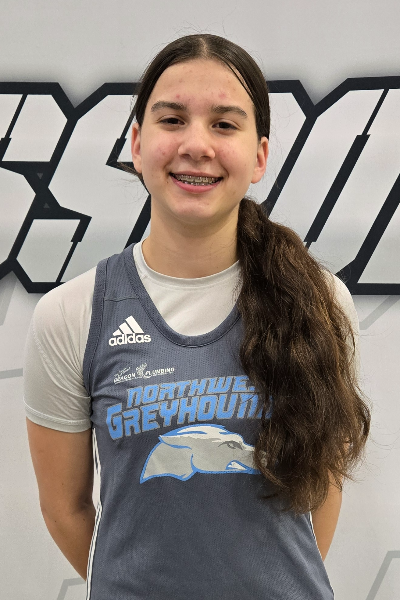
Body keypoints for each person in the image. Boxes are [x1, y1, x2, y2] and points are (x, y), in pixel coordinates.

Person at [24, 33, 370, 599]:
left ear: (259, 157)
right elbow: (66, 509)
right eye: (172, 120)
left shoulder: (318, 301)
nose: (196, 145)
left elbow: (321, 488)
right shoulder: (71, 314)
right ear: (138, 144)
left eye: (224, 125)